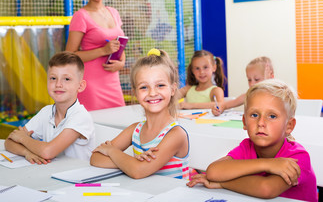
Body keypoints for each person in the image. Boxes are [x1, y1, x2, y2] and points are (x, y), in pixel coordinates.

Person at [187, 79, 317, 202]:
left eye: (272, 116)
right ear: (244, 122)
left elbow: (266, 189)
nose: (261, 123)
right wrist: (268, 164)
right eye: (254, 115)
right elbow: (213, 172)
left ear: (289, 126)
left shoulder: (298, 157)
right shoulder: (247, 146)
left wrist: (222, 183)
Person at [90, 48, 189, 179]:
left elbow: (138, 171)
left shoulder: (176, 134)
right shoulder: (135, 130)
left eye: (160, 85)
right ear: (135, 93)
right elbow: (95, 157)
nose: (152, 93)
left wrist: (113, 151)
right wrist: (132, 162)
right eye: (144, 87)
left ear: (172, 89)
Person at [4, 52, 95, 163]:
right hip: (52, 173)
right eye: (53, 78)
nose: (58, 84)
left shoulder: (81, 116)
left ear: (80, 86)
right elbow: (9, 141)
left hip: (80, 178)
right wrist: (27, 153)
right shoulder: (46, 112)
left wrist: (23, 138)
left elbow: (48, 152)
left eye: (66, 79)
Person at [66, 0, 125, 111]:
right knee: (95, 128)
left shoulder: (114, 13)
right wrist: (103, 51)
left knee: (119, 122)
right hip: (91, 83)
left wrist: (122, 63)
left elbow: (120, 46)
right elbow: (69, 56)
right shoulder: (81, 16)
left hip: (113, 81)